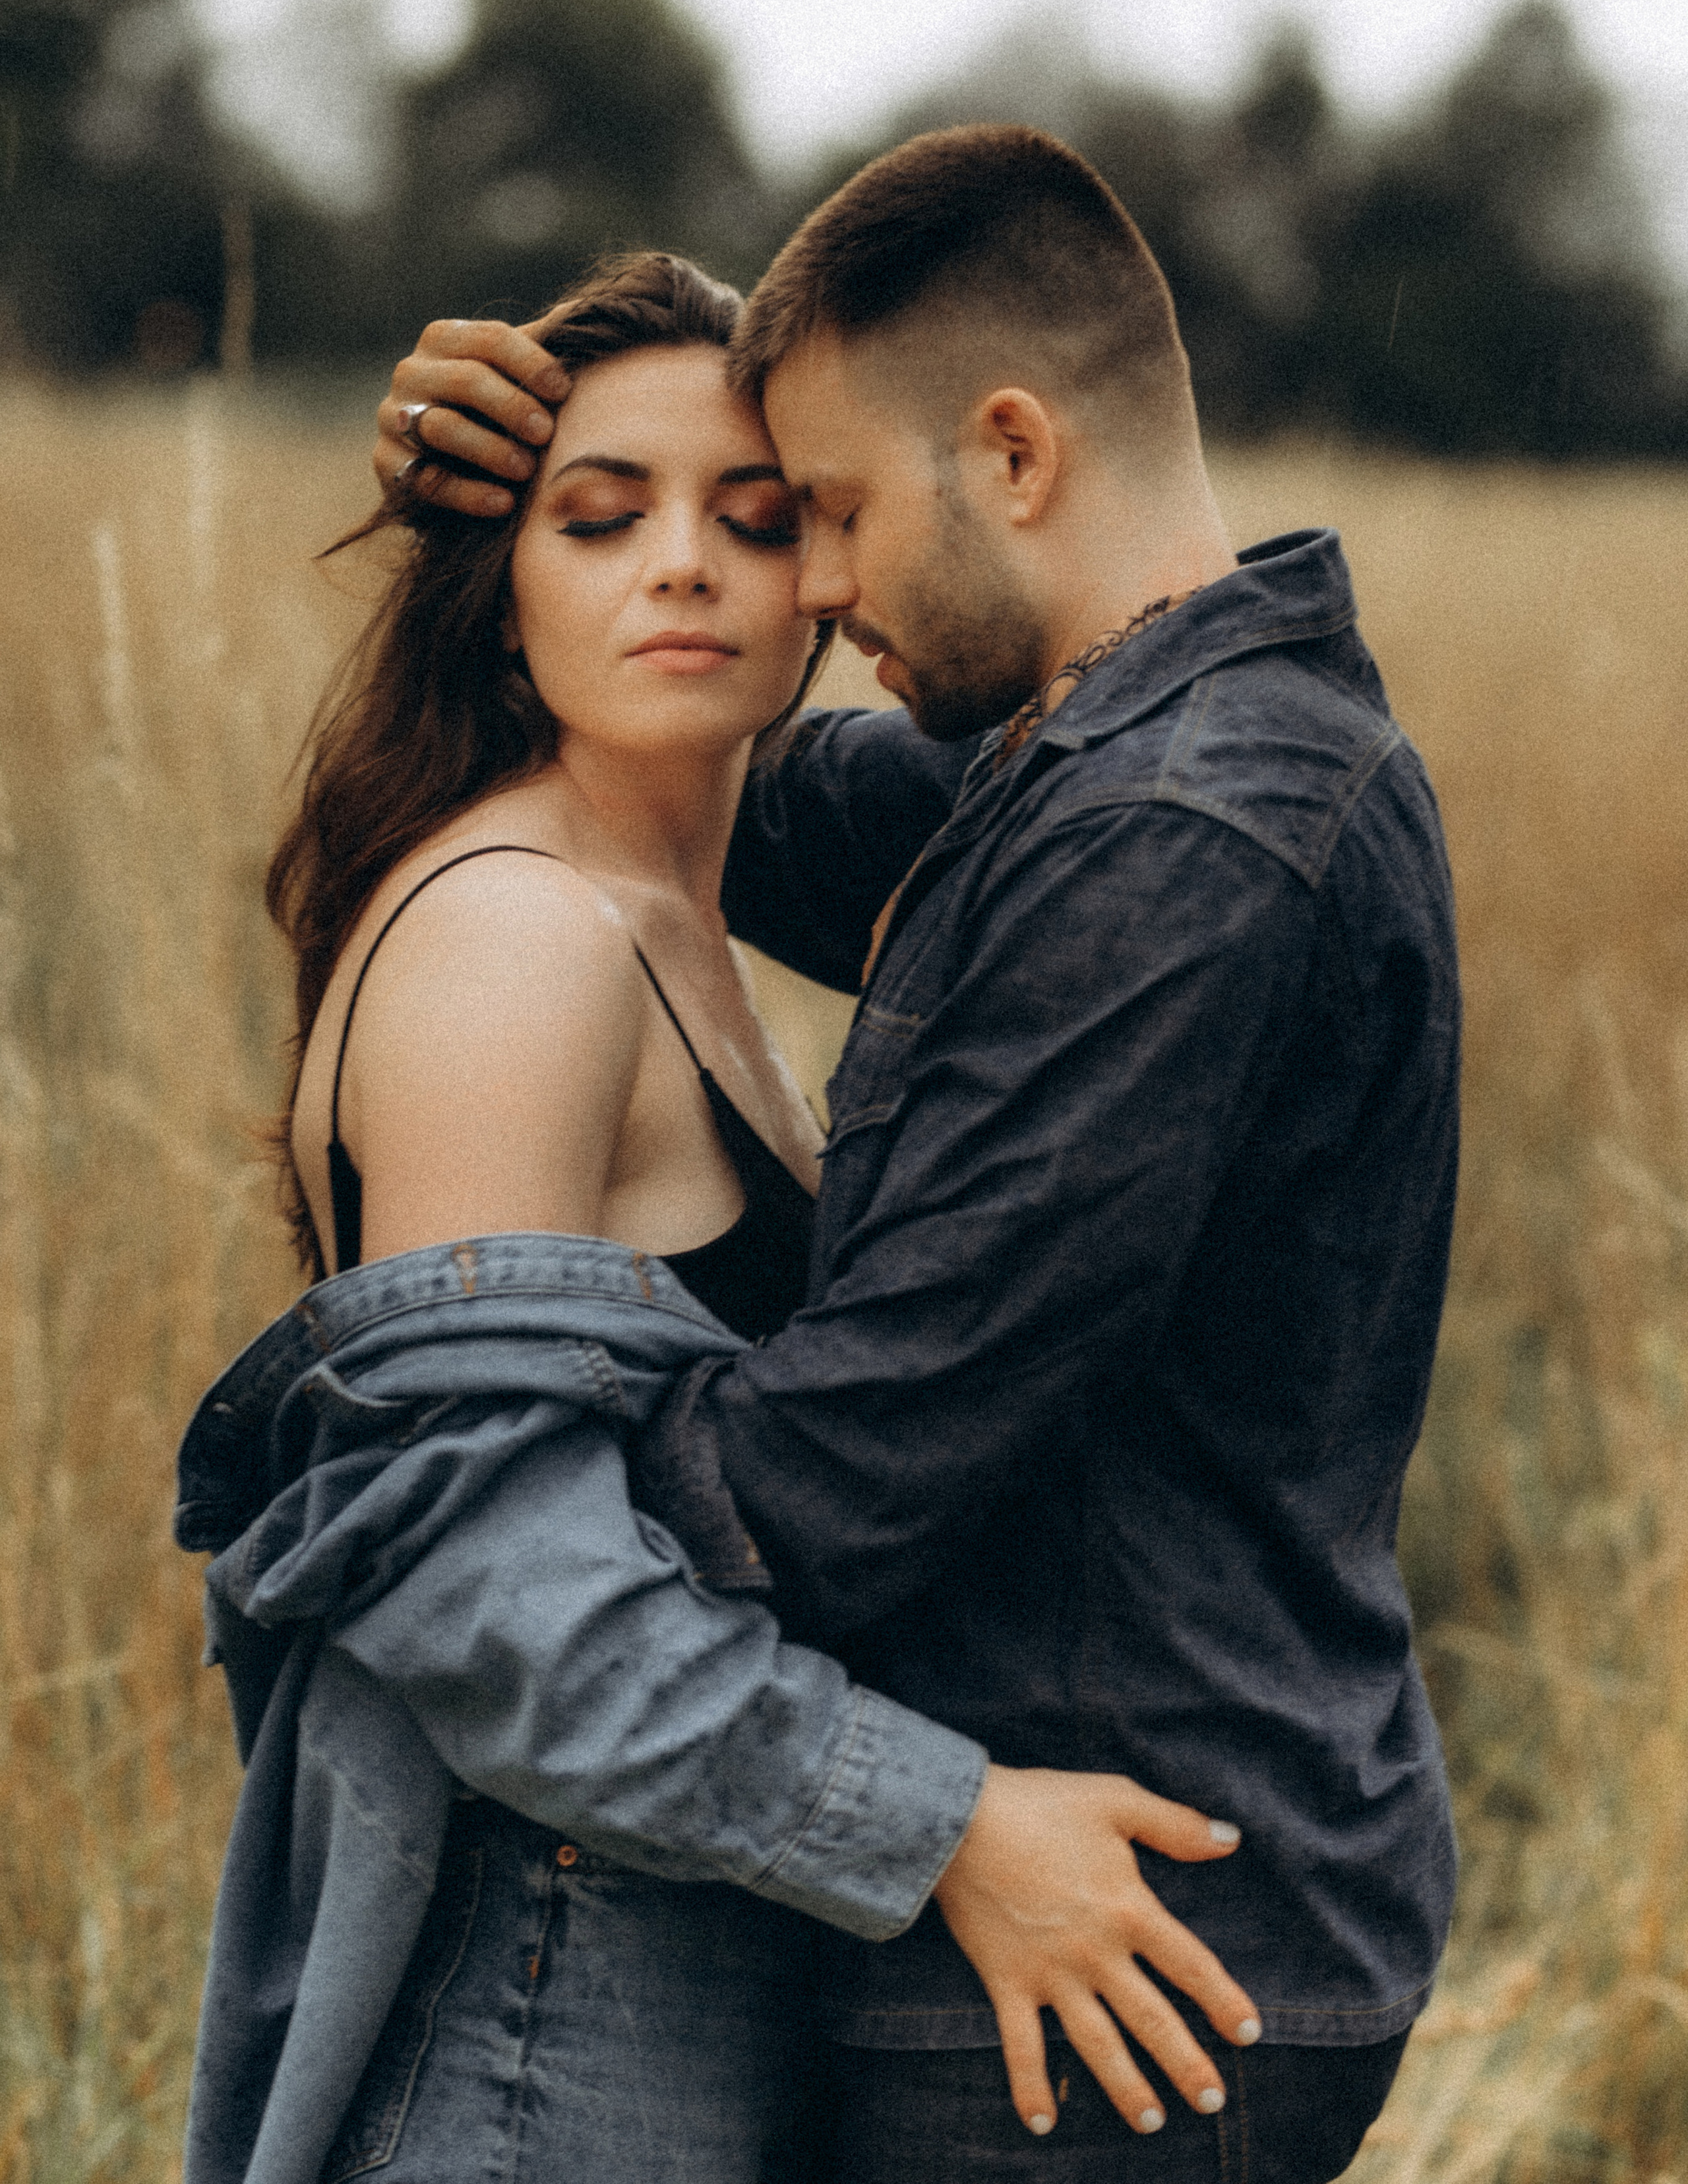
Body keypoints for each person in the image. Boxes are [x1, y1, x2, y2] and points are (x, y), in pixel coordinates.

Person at [377, 123, 1462, 2181]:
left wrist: (475, 1557)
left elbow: (886, 1429)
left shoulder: (1177, 836)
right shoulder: (1083, 760)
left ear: (1020, 456)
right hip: (1112, 1910)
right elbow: (718, 792)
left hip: (1112, 1956)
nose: (821, 582)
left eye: (835, 513)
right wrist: (534, 516)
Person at [177, 247, 1259, 2184]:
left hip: (658, 1984)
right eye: (599, 518)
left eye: (760, 521)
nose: (681, 563)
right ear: (499, 596)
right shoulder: (522, 938)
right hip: (535, 2035)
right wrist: (949, 1826)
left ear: (829, 585)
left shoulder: (671, 904)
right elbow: (485, 1594)